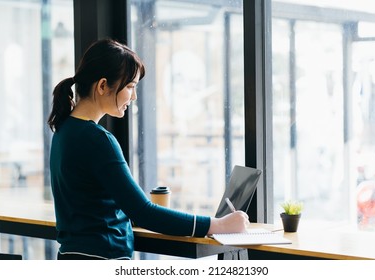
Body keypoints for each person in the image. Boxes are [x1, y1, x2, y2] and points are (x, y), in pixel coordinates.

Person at [47, 38, 249, 260]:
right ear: (103, 86)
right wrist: (218, 225)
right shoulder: (98, 140)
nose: (133, 96)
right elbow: (144, 213)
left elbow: (90, 204)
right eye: (130, 87)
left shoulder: (64, 131)